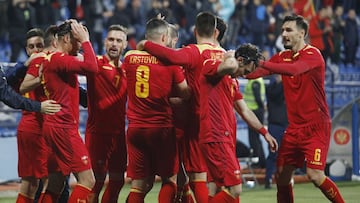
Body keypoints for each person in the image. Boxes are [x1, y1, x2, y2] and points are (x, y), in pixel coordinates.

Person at [243, 15, 345, 203]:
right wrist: (237, 69)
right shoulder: (283, 56)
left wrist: (261, 62)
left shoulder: (313, 55)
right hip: (294, 128)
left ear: (302, 33)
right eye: (282, 30)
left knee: (314, 175)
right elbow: (260, 72)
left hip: (316, 126)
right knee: (281, 175)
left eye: (289, 30)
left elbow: (294, 69)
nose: (284, 34)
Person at [137, 12, 220, 203]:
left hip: (186, 124)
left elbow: (172, 59)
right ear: (215, 33)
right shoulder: (221, 53)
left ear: (195, 30)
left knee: (180, 177)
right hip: (208, 122)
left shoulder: (187, 55)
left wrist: (146, 43)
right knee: (194, 176)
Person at [123, 18, 190, 202]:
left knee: (139, 184)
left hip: (135, 130)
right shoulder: (170, 63)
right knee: (170, 179)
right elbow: (185, 93)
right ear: (164, 37)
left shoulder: (129, 58)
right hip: (161, 128)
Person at [40, 19, 98, 202]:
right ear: (66, 39)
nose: (80, 45)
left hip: (54, 126)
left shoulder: (53, 59)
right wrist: (87, 40)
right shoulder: (59, 59)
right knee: (88, 180)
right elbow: (92, 67)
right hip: (63, 127)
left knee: (56, 183)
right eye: (77, 41)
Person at [85, 24, 128, 203]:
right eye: (111, 39)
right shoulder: (95, 64)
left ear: (125, 45)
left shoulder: (128, 70)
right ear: (104, 42)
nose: (114, 44)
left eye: (119, 40)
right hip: (98, 135)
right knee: (96, 183)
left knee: (118, 181)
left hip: (119, 135)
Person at [264, 74, 288, 189]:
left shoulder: (277, 88)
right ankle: (269, 178)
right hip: (276, 125)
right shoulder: (272, 89)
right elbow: (276, 94)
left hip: (283, 124)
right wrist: (284, 82)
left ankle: (283, 179)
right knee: (274, 153)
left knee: (284, 154)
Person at [243, 77, 266, 168]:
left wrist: (261, 108)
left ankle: (257, 161)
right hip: (255, 111)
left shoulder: (255, 81)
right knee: (256, 138)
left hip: (254, 111)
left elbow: (258, 98)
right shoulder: (257, 80)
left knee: (253, 138)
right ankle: (261, 161)